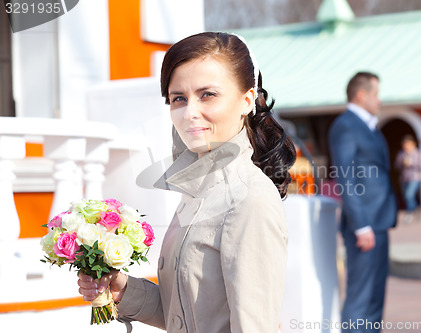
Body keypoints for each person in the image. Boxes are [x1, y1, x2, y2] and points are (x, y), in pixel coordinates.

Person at [77, 32, 296, 332]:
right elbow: (186, 314)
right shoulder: (197, 191)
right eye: (178, 98)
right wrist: (123, 290)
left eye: (207, 94)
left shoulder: (249, 200)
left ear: (246, 100)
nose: (189, 113)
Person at [328, 72, 397, 333]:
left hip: (379, 220)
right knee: (361, 296)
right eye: (376, 94)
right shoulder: (346, 125)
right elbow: (345, 177)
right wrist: (361, 225)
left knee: (376, 295)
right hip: (364, 224)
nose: (379, 100)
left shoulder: (369, 126)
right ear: (361, 95)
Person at [394, 135, 421, 223]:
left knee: (409, 195)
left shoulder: (417, 153)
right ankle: (416, 209)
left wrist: (411, 163)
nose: (406, 146)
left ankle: (409, 214)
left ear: (413, 144)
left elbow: (420, 165)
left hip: (415, 178)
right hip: (404, 178)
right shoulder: (401, 154)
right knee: (406, 197)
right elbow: (396, 166)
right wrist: (402, 162)